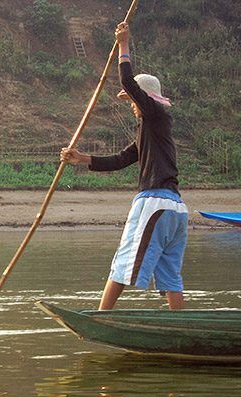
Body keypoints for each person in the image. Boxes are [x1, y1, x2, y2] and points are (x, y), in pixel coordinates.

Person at [61, 21, 188, 311]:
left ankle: (102, 316)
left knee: (123, 259)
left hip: (154, 203)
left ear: (144, 99)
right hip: (176, 210)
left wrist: (124, 45)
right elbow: (120, 160)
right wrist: (81, 159)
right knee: (170, 276)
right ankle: (181, 325)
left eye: (132, 100)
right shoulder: (151, 132)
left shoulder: (155, 115)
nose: (130, 104)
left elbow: (128, 83)